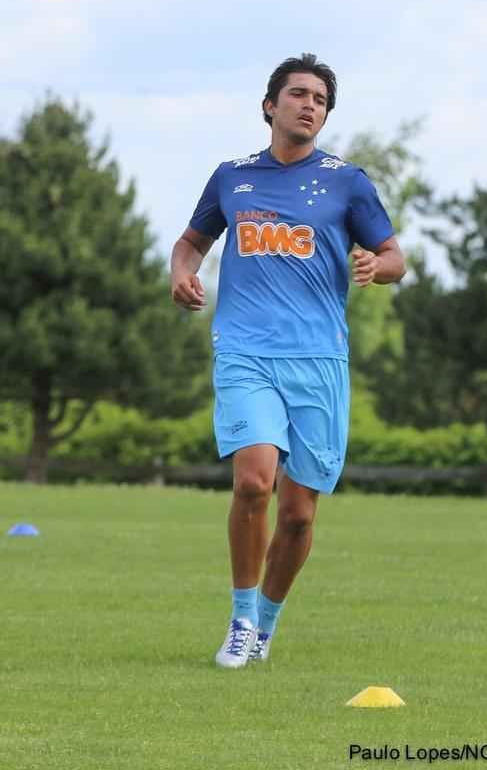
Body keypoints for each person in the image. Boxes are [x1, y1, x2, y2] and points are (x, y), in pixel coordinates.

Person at [170, 53, 405, 668]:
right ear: (270, 105)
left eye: (320, 100)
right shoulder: (232, 177)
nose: (310, 105)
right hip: (246, 351)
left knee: (298, 516)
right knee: (253, 481)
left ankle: (268, 624)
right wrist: (181, 273)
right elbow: (191, 241)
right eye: (298, 94)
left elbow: (394, 255)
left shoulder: (347, 182)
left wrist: (377, 268)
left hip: (320, 361)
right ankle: (242, 618)